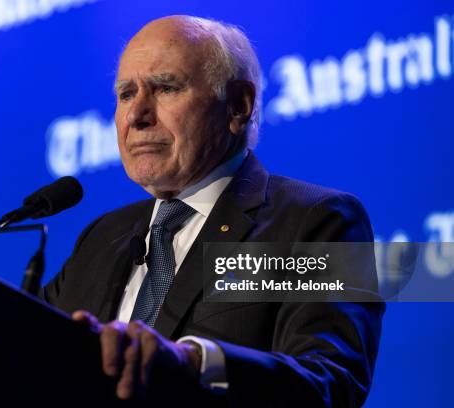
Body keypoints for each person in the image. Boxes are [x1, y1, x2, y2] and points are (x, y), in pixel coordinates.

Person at [43, 15, 384, 407]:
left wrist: (194, 362)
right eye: (125, 94)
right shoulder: (102, 238)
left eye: (165, 88)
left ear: (239, 105)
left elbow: (329, 382)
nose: (136, 115)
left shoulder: (313, 220)